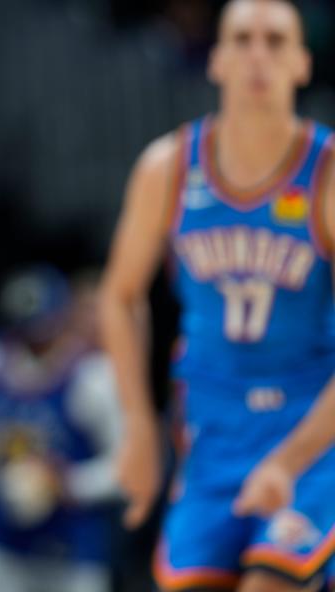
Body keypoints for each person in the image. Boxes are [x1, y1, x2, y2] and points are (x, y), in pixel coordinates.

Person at [102, 1, 335, 591]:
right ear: (217, 59)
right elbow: (119, 297)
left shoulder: (327, 174)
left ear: (303, 64)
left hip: (309, 431)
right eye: (244, 38)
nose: (259, 53)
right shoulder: (170, 166)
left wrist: (289, 460)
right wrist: (138, 427)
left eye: (276, 41)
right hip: (209, 434)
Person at [0, 266, 122, 592]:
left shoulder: (94, 377)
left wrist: (69, 483)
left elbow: (128, 469)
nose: (33, 344)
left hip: (71, 550)